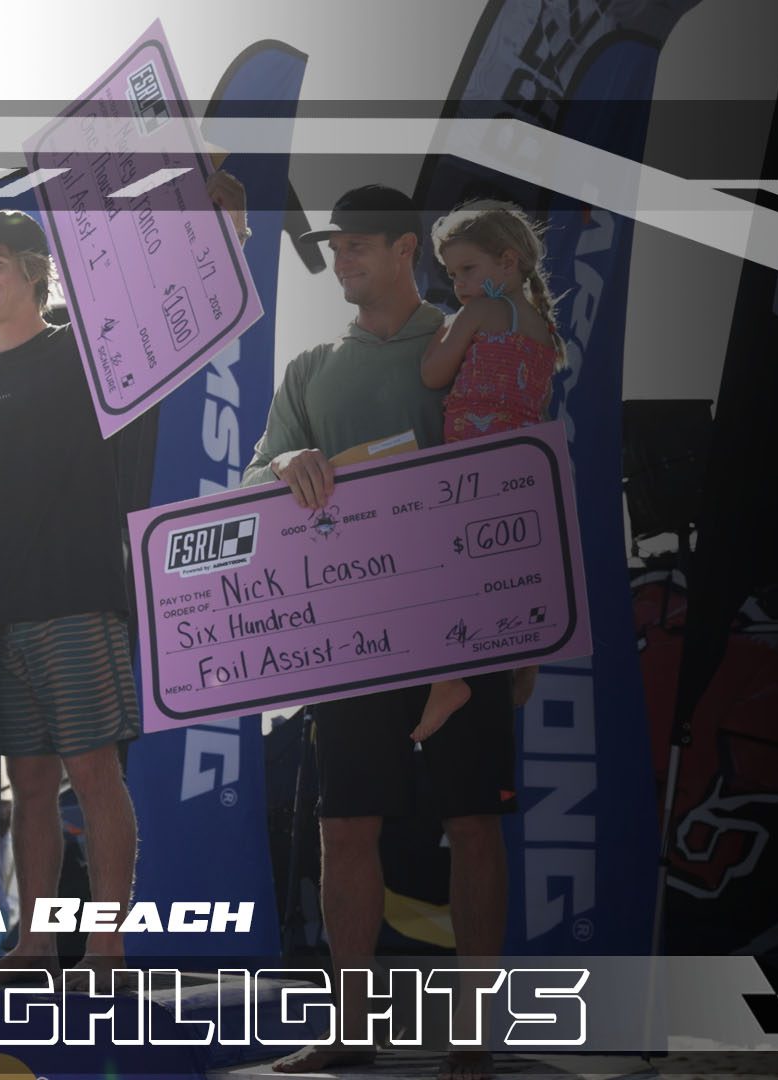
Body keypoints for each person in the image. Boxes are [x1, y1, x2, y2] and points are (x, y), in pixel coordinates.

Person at [0, 174, 251, 981]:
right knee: (27, 786)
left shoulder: (84, 354)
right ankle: (34, 945)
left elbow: (175, 317)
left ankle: (106, 947)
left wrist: (228, 230)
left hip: (77, 600)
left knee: (94, 775)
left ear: (35, 272)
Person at [243, 186, 514, 1080]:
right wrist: (285, 462)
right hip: (351, 637)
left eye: (358, 244)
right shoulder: (312, 367)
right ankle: (349, 1028)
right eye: (335, 246)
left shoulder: (470, 343)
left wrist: (520, 637)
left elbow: (520, 467)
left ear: (407, 250)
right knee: (345, 826)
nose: (342, 259)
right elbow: (251, 480)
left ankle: (475, 1035)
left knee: (473, 824)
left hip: (465, 632)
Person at [409, 199, 564, 742]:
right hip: (521, 470)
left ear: (508, 261)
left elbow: (432, 374)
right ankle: (526, 654)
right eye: (452, 275)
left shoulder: (481, 312)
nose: (459, 285)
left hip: (472, 465)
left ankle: (448, 680)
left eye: (467, 270)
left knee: (452, 566)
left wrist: (440, 334)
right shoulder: (543, 329)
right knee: (505, 565)